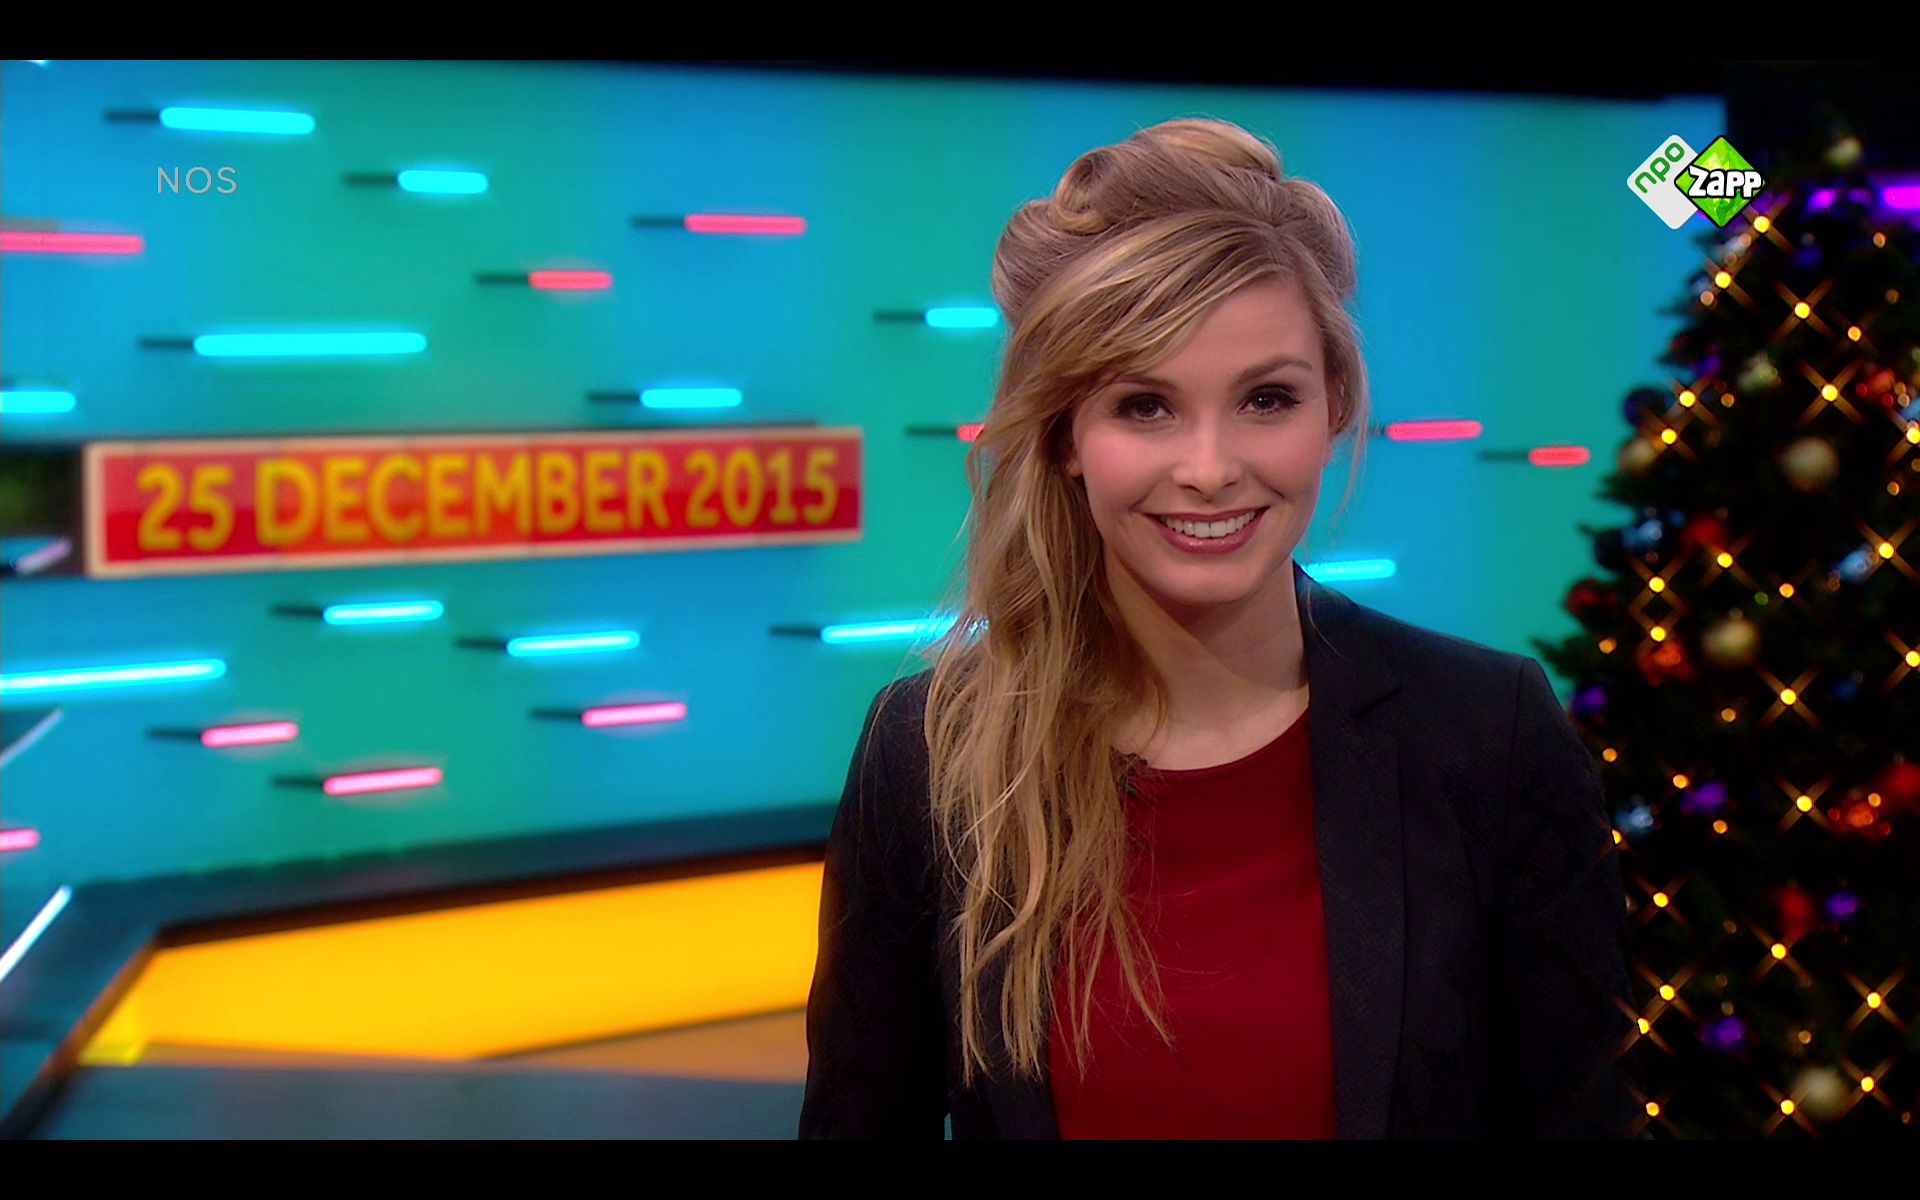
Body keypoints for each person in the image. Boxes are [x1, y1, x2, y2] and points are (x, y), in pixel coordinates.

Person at [798, 117, 1646, 1139]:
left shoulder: (1488, 736)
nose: (1209, 468)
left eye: (1267, 399)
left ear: (1335, 406)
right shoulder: (929, 754)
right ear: (1065, 434)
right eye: (1144, 406)